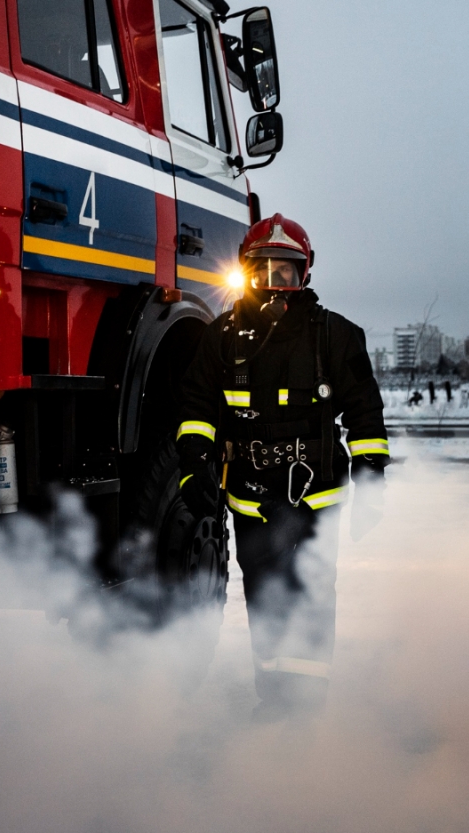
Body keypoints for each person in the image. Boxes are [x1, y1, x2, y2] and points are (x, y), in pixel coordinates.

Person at [174, 214, 388, 722]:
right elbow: (196, 407)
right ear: (245, 273)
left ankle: (306, 708)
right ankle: (273, 699)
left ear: (305, 274)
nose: (274, 284)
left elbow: (364, 410)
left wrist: (373, 475)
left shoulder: (336, 335)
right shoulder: (221, 337)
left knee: (311, 593)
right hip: (249, 495)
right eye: (262, 271)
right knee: (264, 594)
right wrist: (192, 467)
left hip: (316, 496)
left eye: (285, 273)